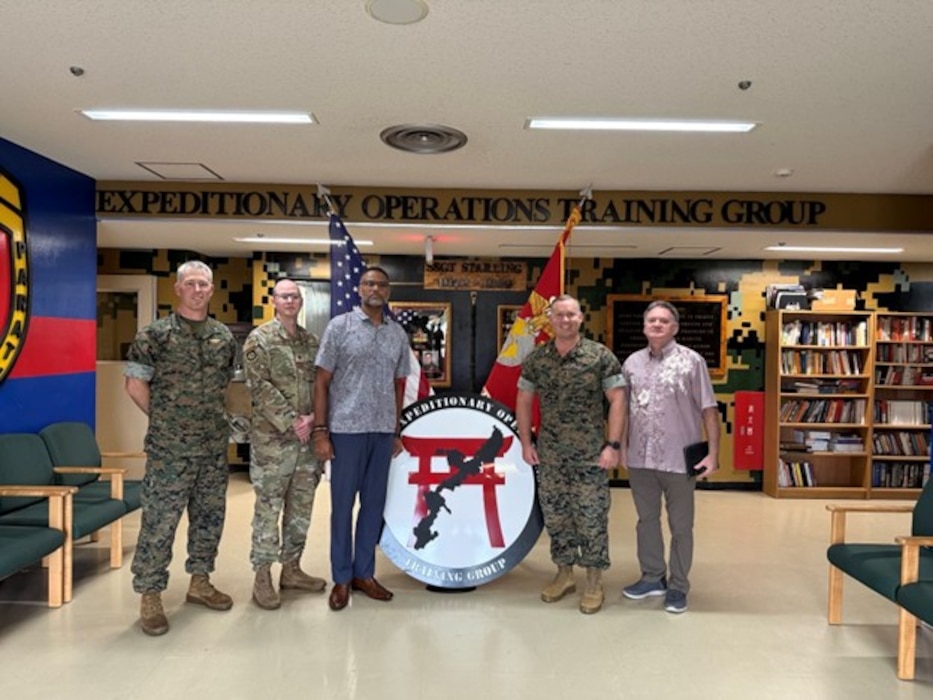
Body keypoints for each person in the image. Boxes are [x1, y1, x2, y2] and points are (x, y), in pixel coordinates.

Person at [124, 260, 237, 636]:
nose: (198, 290)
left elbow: (224, 387)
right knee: (160, 522)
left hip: (211, 448)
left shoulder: (222, 336)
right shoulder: (155, 335)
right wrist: (166, 420)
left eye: (204, 284)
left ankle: (200, 581)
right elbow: (135, 385)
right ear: (178, 289)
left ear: (211, 289)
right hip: (170, 450)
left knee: (209, 518)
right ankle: (150, 594)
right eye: (190, 283)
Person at [516, 294, 626, 615]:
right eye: (559, 315)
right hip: (549, 454)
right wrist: (526, 442)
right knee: (557, 515)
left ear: (581, 318)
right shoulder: (537, 359)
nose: (565, 320)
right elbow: (524, 399)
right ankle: (564, 574)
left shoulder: (599, 356)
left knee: (591, 516)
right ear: (550, 319)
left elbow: (618, 400)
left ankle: (593, 580)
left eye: (571, 315)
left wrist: (613, 445)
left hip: (591, 454)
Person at [312, 266, 410, 611]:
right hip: (346, 431)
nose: (376, 288)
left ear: (388, 292)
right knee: (342, 508)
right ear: (359, 288)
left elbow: (399, 386)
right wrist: (321, 431)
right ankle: (341, 578)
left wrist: (395, 430)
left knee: (373, 507)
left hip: (382, 433)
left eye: (382, 284)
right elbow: (321, 381)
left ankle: (363, 574)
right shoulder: (339, 327)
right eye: (369, 283)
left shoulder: (398, 334)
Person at [620, 300, 720, 614]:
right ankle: (652, 577)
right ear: (644, 326)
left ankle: (678, 586)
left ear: (674, 327)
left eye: (664, 321)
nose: (658, 325)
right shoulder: (631, 363)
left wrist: (713, 454)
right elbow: (621, 409)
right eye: (652, 320)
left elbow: (709, 410)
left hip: (679, 460)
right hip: (640, 458)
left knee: (681, 526)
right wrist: (621, 446)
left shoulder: (692, 362)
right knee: (646, 521)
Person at [244, 278, 326, 610]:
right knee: (269, 508)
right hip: (273, 443)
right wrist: (293, 420)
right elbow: (258, 386)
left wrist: (312, 420)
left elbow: (323, 385)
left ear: (301, 301)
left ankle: (292, 569)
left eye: (294, 296)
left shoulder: (311, 342)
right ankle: (262, 576)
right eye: (283, 296)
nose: (290, 301)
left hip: (306, 443)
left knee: (300, 509)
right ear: (274, 301)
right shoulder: (259, 339)